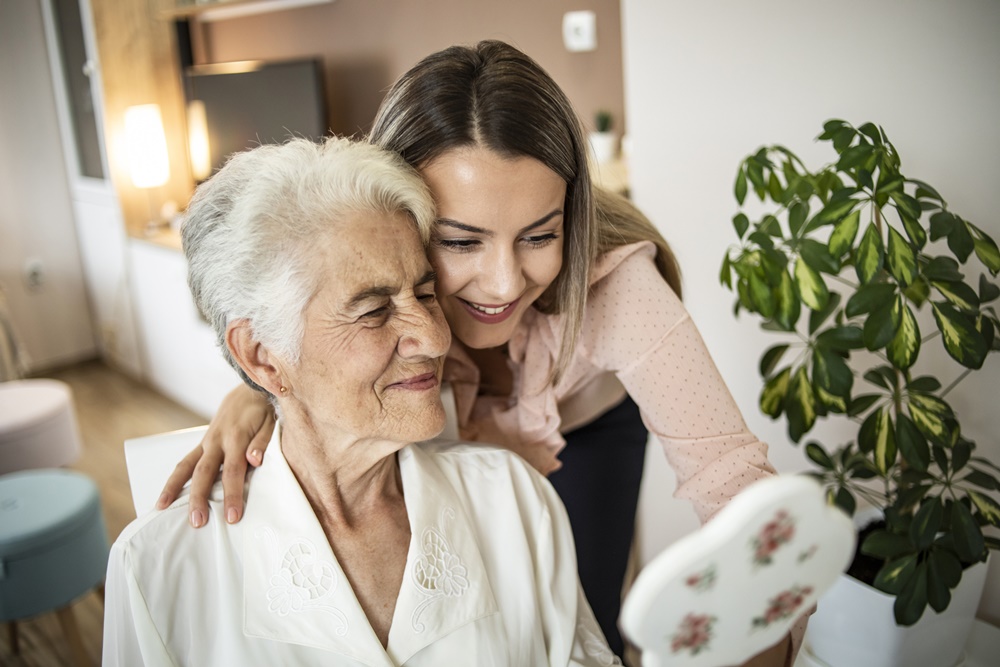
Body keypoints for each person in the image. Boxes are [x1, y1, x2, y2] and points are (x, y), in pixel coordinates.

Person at [157, 41, 800, 664]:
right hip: (447, 424)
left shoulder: (619, 286)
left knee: (585, 613)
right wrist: (260, 392)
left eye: (539, 235)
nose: (503, 283)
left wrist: (761, 630)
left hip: (588, 425)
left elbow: (732, 481)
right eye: (460, 242)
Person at [103, 136, 620, 666]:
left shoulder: (513, 500)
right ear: (262, 357)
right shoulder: (156, 571)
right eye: (374, 311)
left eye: (424, 295)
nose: (436, 338)